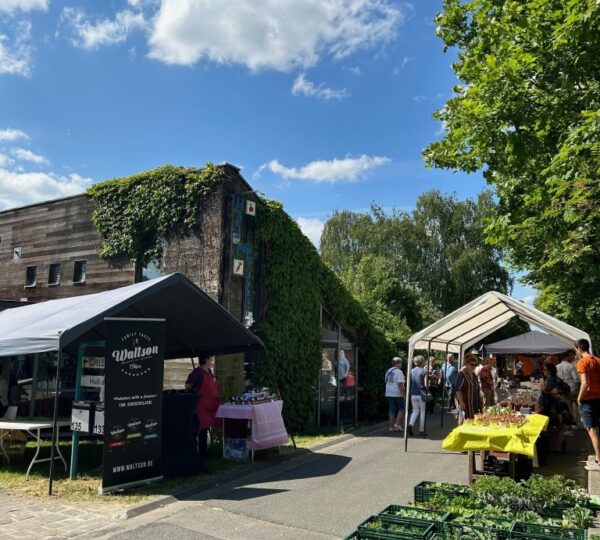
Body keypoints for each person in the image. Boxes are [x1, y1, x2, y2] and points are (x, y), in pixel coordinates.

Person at [185, 355, 220, 458]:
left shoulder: (209, 372)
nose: (212, 360)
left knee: (205, 429)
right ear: (205, 359)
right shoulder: (198, 372)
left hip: (210, 406)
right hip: (200, 406)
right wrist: (192, 393)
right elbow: (188, 385)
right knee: (200, 429)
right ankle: (198, 453)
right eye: (211, 358)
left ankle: (204, 452)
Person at [575, 339, 600, 471]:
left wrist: (579, 398)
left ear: (578, 349)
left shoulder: (582, 362)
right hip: (598, 397)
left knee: (592, 430)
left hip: (588, 399)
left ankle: (598, 459)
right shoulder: (597, 360)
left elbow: (584, 383)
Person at [455, 353, 482, 424]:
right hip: (466, 403)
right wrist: (461, 402)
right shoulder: (461, 374)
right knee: (464, 420)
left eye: (475, 365)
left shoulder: (474, 375)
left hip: (474, 403)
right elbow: (458, 389)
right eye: (472, 364)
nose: (474, 366)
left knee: (474, 420)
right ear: (466, 364)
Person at [557, 349, 580, 427]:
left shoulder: (556, 367)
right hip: (573, 389)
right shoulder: (571, 366)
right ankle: (583, 424)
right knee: (581, 406)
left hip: (563, 391)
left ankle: (572, 426)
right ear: (567, 357)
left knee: (569, 409)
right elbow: (576, 379)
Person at [408, 356, 428, 436]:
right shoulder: (424, 371)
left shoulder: (411, 371)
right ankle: (421, 430)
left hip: (413, 393)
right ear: (422, 362)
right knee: (422, 411)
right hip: (422, 394)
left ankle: (410, 424)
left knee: (415, 411)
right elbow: (426, 384)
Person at [384, 357, 405, 432]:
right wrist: (404, 394)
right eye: (400, 363)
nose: (401, 364)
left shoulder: (388, 371)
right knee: (402, 409)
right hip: (397, 393)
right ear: (397, 363)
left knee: (392, 410)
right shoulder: (399, 372)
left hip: (389, 393)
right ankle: (397, 424)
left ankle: (391, 427)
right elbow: (400, 384)